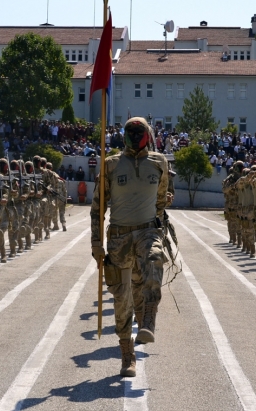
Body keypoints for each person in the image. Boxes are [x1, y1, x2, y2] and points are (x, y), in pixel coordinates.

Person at [90, 117, 170, 378]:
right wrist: (96, 243)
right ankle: (127, 355)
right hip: (118, 239)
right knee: (122, 299)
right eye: (130, 131)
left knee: (156, 258)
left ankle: (148, 318)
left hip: (147, 230)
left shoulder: (159, 163)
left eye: (139, 131)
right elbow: (97, 209)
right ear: (123, 135)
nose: (135, 136)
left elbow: (160, 202)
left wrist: (158, 223)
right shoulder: (111, 165)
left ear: (148, 133)